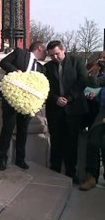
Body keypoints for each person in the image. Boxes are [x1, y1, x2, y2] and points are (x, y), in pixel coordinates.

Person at [0, 41, 47, 171]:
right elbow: (3, 63)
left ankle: (20, 159)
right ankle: (2, 158)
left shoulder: (41, 68)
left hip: (28, 104)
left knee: (23, 130)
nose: (46, 53)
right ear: (40, 47)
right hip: (11, 99)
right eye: (45, 50)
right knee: (7, 129)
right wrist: (16, 71)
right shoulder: (20, 53)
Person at [44, 40, 88, 183]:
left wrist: (68, 98)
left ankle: (71, 172)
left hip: (73, 109)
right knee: (56, 141)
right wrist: (55, 98)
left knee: (71, 142)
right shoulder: (47, 67)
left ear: (63, 50)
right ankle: (54, 170)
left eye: (57, 54)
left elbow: (82, 81)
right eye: (51, 56)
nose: (55, 57)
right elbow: (44, 87)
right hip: (55, 110)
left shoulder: (77, 61)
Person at [80, 54, 105, 190]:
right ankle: (91, 176)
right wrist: (94, 69)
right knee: (93, 140)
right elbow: (94, 83)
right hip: (102, 113)